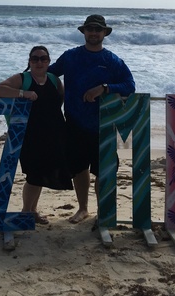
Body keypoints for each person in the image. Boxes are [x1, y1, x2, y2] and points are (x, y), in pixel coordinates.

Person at [49, 15, 135, 224]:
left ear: (105, 33)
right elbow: (47, 74)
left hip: (103, 126)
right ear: (84, 32)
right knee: (79, 169)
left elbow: (129, 85)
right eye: (90, 29)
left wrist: (105, 88)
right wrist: (21, 84)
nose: (94, 33)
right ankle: (83, 209)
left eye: (98, 29)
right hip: (74, 123)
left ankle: (103, 211)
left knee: (104, 171)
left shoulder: (112, 61)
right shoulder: (70, 57)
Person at [0, 46, 73, 225]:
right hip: (30, 135)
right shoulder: (23, 78)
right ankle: (26, 211)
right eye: (35, 59)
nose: (39, 62)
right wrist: (23, 93)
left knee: (42, 173)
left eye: (43, 59)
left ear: (49, 61)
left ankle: (32, 211)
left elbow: (59, 101)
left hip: (53, 134)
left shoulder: (54, 79)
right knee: (34, 175)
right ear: (29, 61)